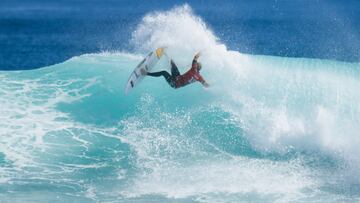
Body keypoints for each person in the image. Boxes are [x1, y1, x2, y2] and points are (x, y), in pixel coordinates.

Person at [141, 52, 210, 89]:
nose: (195, 64)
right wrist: (212, 87)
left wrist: (201, 52)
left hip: (174, 83)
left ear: (197, 66)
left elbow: (195, 57)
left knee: (163, 72)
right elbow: (205, 84)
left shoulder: (194, 69)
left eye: (196, 64)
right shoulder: (199, 77)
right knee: (172, 63)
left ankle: (146, 73)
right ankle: (165, 53)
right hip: (178, 78)